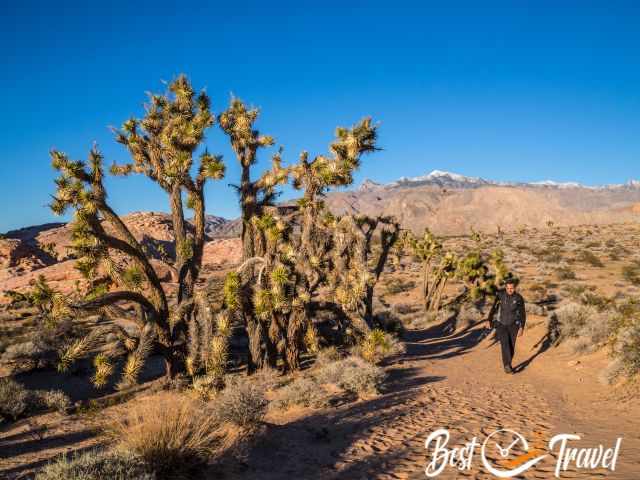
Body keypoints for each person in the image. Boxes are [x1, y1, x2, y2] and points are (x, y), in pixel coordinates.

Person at [488, 278, 526, 374]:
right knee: (505, 344)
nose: (510, 290)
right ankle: (507, 366)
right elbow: (494, 308)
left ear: (514, 288)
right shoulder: (500, 296)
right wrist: (489, 320)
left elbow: (522, 313)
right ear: (505, 288)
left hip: (513, 325)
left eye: (511, 288)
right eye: (508, 288)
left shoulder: (518, 298)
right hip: (501, 324)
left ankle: (508, 363)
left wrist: (522, 327)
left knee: (511, 346)